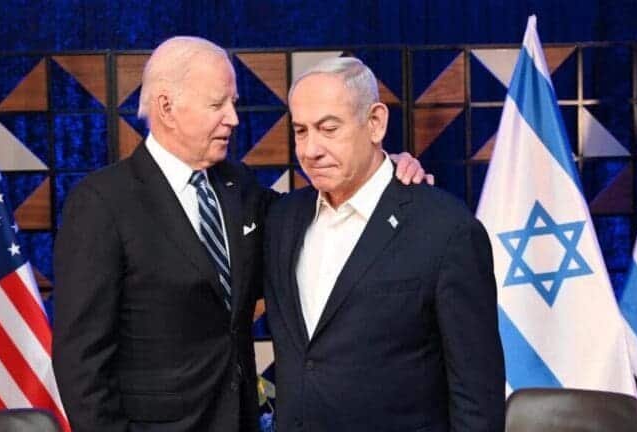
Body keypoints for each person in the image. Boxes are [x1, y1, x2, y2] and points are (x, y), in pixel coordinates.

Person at [52, 37, 427, 432]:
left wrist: (379, 168)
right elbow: (81, 362)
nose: (233, 118)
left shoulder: (239, 185)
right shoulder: (102, 203)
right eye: (217, 105)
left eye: (232, 103)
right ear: (166, 108)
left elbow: (314, 215)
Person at [263, 57, 505, 431]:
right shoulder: (282, 220)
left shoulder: (446, 229)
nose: (311, 149)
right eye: (301, 131)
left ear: (375, 122)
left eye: (329, 129)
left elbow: (476, 395)